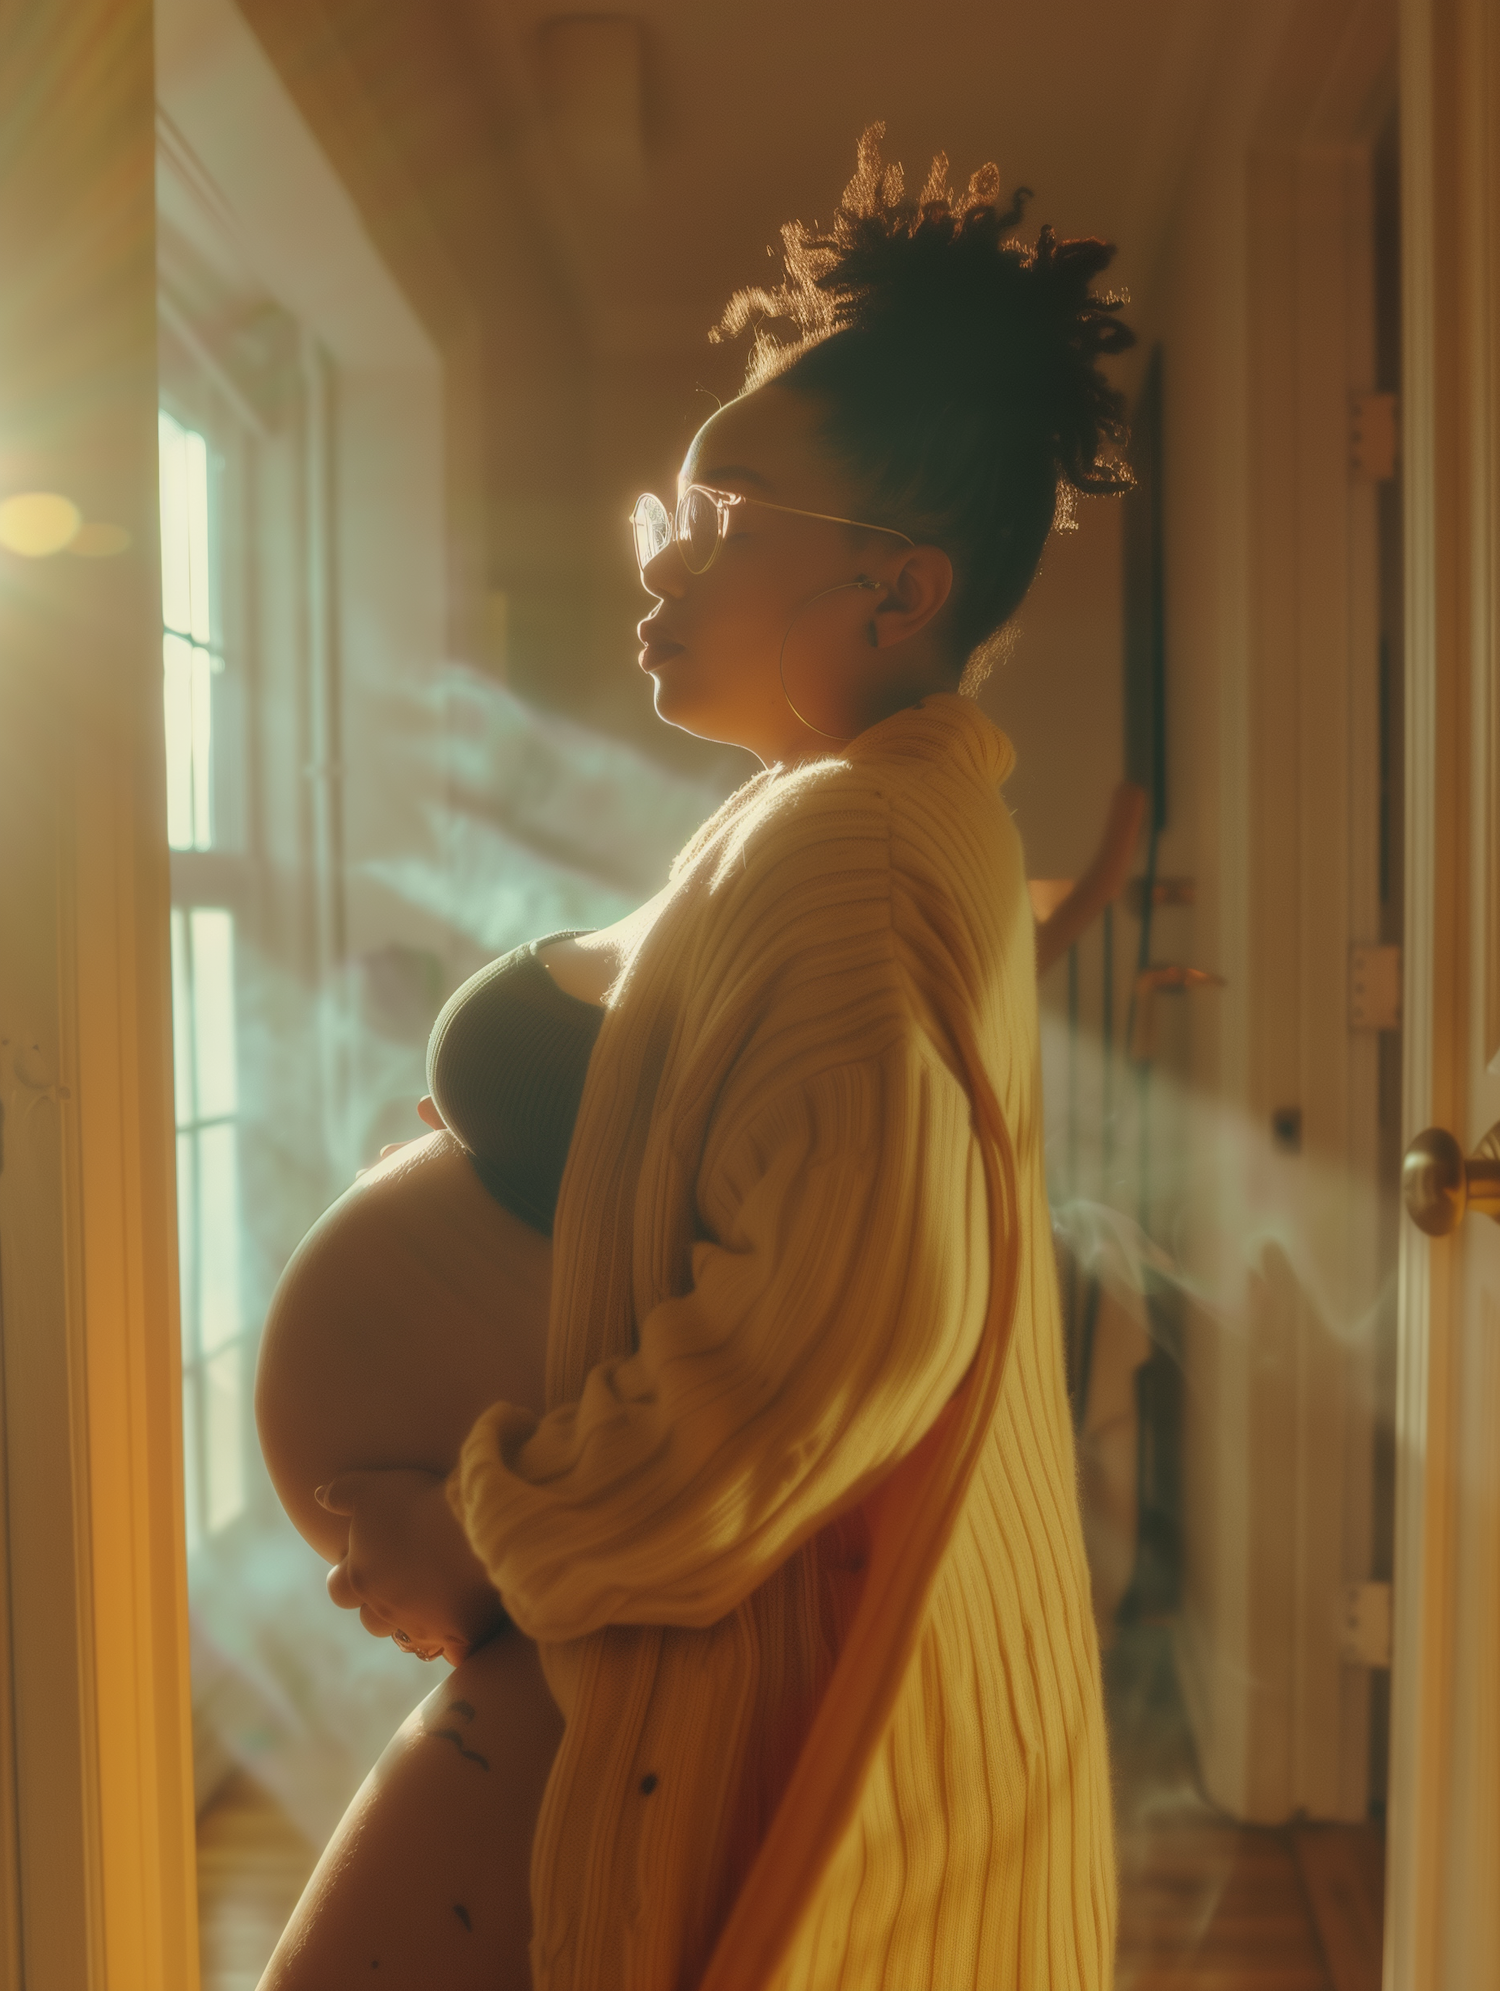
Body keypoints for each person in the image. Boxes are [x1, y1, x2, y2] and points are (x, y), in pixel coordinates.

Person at [253, 126, 1135, 1991]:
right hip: (598, 1634)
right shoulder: (838, 818)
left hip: (621, 1642)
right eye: (667, 508)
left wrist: (485, 1538)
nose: (660, 559)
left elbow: (841, 1342)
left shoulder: (854, 847)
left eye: (720, 518)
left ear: (895, 594)